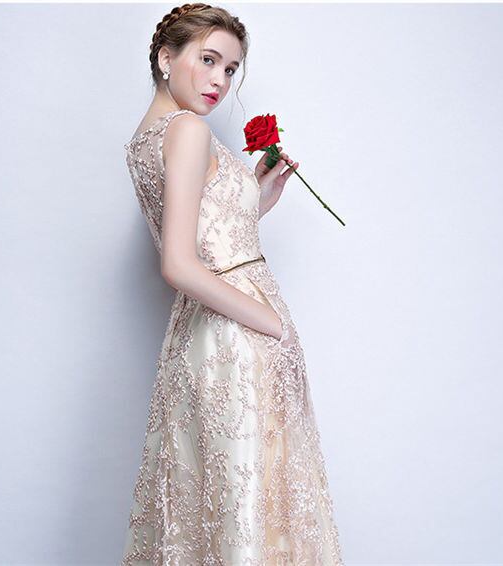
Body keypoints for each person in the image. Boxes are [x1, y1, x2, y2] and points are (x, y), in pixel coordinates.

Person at [121, 3, 345, 564]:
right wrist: (271, 322)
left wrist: (254, 201)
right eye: (208, 60)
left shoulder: (144, 139)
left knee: (217, 504)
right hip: (236, 336)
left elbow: (203, 236)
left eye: (230, 68)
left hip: (198, 337)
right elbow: (178, 263)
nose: (219, 80)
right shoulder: (188, 130)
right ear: (166, 58)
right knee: (251, 502)